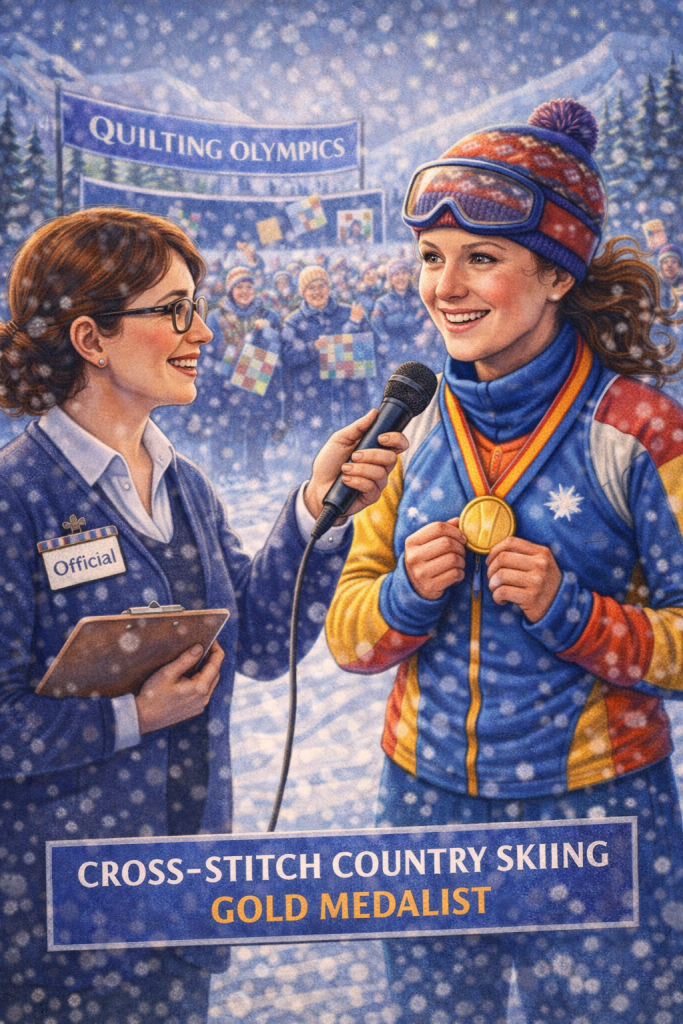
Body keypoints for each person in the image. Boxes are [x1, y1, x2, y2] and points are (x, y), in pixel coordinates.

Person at [0, 207, 408, 1023]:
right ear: (91, 339)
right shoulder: (16, 499)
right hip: (57, 914)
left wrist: (311, 513)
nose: (203, 331)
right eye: (175, 310)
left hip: (182, 892)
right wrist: (131, 717)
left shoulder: (186, 486)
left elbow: (256, 642)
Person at [326, 99, 683, 1024]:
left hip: (592, 812)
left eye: (481, 258)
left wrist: (576, 614)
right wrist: (405, 594)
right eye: (431, 258)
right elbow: (347, 638)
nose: (445, 286)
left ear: (559, 275)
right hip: (425, 804)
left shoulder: (641, 431)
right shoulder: (407, 424)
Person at [280, 265, 372, 462]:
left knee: (354, 446)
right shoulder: (293, 322)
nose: (317, 292)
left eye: (321, 286)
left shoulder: (350, 313)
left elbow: (369, 349)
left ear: (329, 288)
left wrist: (355, 328)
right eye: (311, 288)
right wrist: (312, 348)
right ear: (303, 293)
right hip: (310, 395)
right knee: (315, 450)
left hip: (349, 393)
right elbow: (288, 357)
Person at [200, 265, 283, 481]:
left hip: (257, 380)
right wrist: (221, 369)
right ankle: (221, 472)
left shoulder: (268, 315)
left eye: (249, 286)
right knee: (223, 428)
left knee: (258, 425)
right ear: (230, 290)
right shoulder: (215, 317)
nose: (245, 291)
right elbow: (208, 351)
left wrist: (266, 333)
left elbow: (278, 348)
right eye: (239, 287)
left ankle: (256, 470)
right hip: (223, 383)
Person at [370, 256, 427, 385]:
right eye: (396, 274)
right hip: (392, 356)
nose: (401, 277)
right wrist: (396, 347)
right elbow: (378, 330)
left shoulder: (419, 298)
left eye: (403, 273)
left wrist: (422, 339)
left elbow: (427, 323)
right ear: (390, 278)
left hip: (418, 354)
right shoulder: (382, 303)